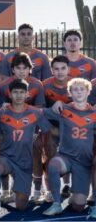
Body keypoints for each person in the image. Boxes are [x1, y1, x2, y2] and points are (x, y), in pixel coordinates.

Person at [0, 79, 51, 214]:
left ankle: (16, 192)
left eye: (22, 92)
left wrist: (37, 139)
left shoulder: (36, 112)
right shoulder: (1, 113)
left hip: (25, 162)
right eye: (15, 92)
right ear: (10, 94)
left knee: (21, 207)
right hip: (7, 158)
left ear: (27, 94)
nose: (18, 95)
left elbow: (46, 130)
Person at [42, 78, 96, 216]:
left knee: (78, 207)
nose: (79, 92)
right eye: (75, 89)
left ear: (88, 92)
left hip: (84, 161)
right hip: (66, 156)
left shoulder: (94, 113)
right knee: (53, 164)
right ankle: (56, 204)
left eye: (82, 89)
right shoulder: (63, 109)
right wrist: (49, 128)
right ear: (70, 93)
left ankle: (76, 192)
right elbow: (37, 113)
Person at [39, 55, 72, 203]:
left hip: (71, 128)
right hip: (51, 127)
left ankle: (67, 185)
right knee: (50, 156)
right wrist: (49, 128)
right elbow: (39, 110)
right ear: (52, 70)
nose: (60, 72)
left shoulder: (75, 84)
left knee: (70, 155)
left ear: (68, 69)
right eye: (56, 69)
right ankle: (51, 190)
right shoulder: (44, 85)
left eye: (63, 68)